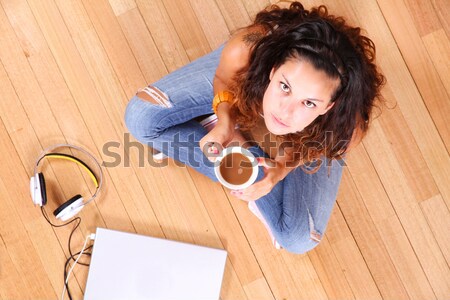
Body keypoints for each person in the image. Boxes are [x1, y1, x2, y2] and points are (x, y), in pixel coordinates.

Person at [124, 1, 385, 254]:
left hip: (312, 139)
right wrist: (226, 119)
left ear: (328, 107)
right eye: (285, 86)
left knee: (299, 240)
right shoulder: (248, 49)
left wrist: (280, 170)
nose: (285, 111)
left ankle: (247, 168)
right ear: (273, 70)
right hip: (246, 78)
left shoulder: (345, 129)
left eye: (308, 102)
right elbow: (224, 78)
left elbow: (314, 150)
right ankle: (231, 143)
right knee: (140, 118)